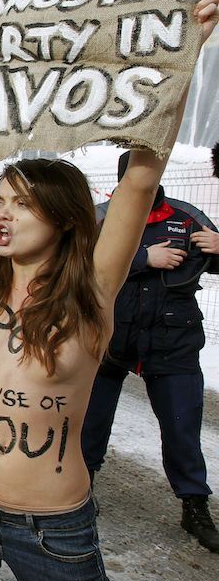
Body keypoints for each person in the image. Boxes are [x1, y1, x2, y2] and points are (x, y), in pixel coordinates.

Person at [0, 0, 217, 581]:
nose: (1, 215)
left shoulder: (94, 289)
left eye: (21, 205)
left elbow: (142, 178)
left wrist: (184, 54)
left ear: (62, 218)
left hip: (52, 528)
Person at [81, 150, 219, 552]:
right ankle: (79, 493)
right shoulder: (98, 218)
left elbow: (212, 263)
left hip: (172, 342)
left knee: (182, 428)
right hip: (109, 340)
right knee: (89, 425)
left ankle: (194, 506)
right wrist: (143, 257)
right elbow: (76, 264)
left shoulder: (187, 217)